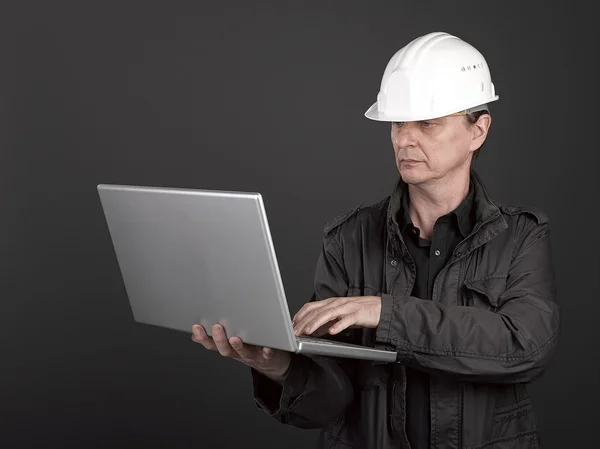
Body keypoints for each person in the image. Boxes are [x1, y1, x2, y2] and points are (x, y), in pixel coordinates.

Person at [191, 32, 561, 449]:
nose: (405, 138)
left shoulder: (519, 236)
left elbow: (523, 346)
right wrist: (278, 367)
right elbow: (330, 400)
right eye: (398, 122)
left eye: (427, 123)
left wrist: (384, 312)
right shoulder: (349, 239)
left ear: (478, 131)